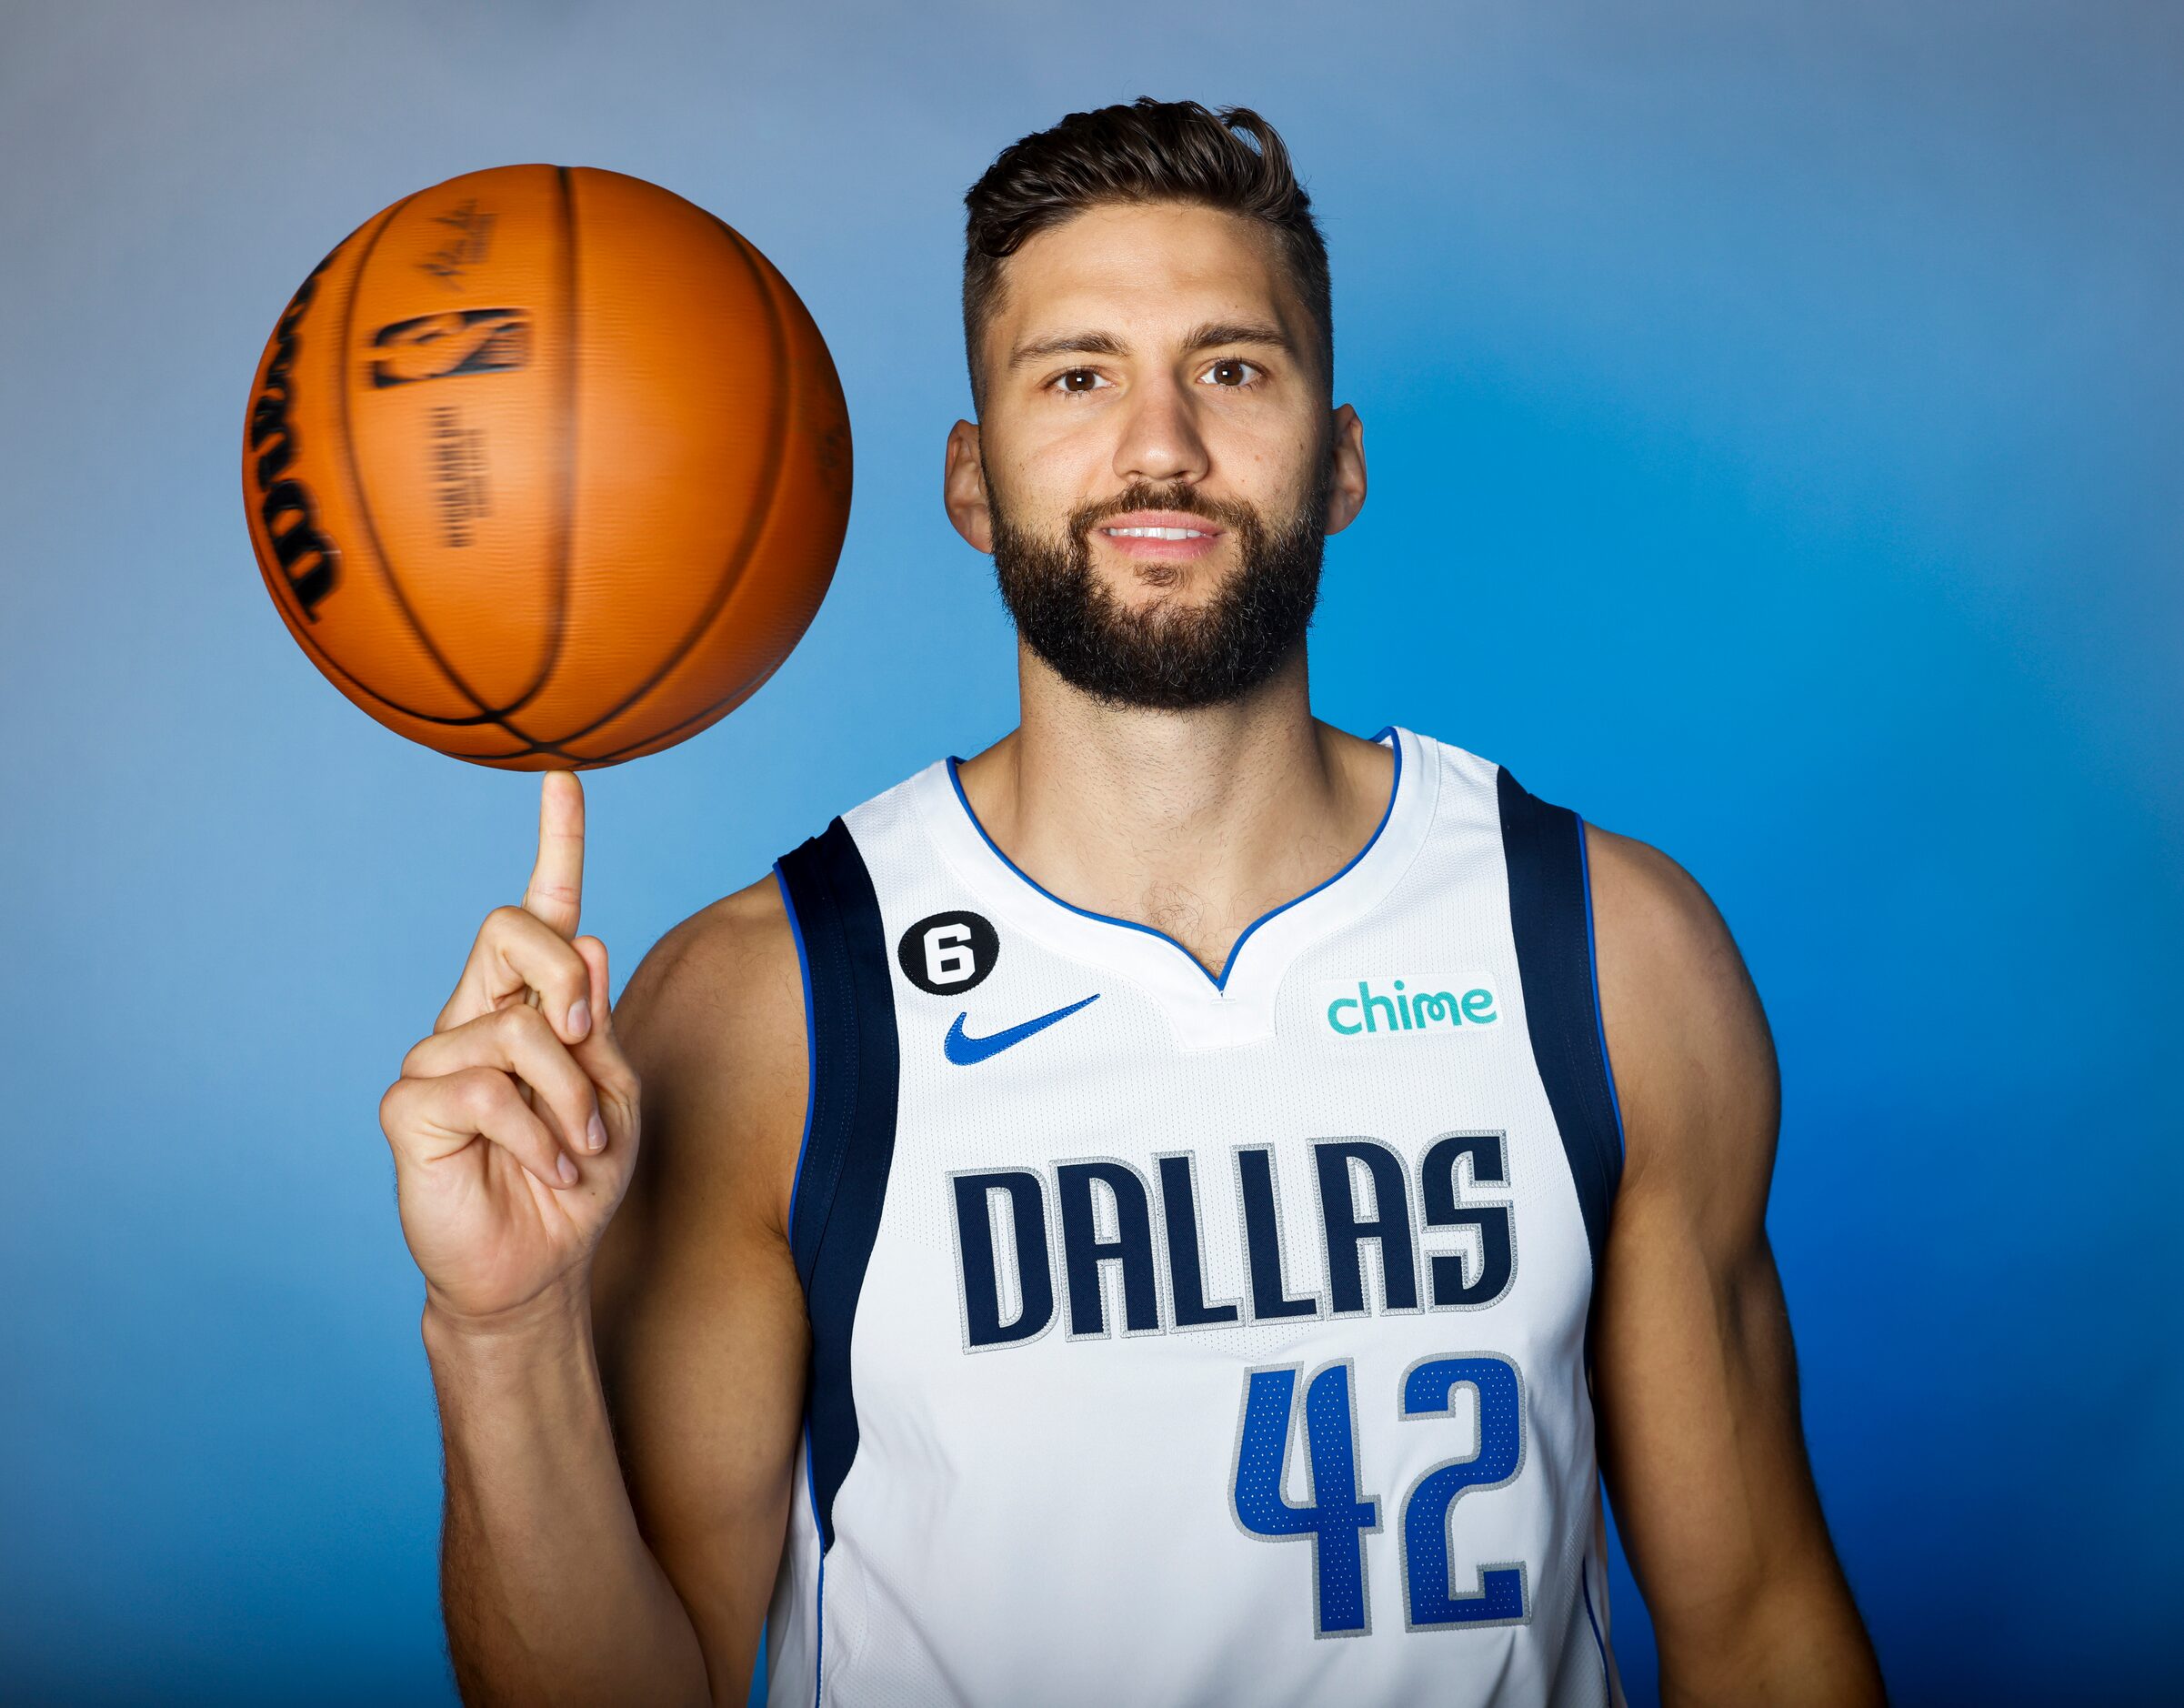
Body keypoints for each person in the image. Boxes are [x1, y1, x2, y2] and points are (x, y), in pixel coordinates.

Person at [378, 99, 1885, 1707]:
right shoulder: (773, 1008)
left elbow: (1756, 1624)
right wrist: (502, 1329)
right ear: (973, 478)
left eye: (1230, 368)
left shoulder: (1603, 949)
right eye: (1076, 376)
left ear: (1342, 459)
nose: (1158, 442)